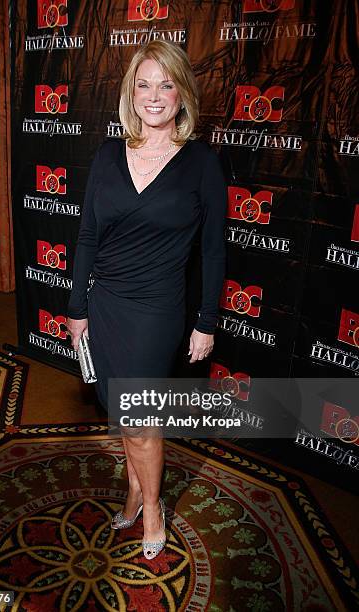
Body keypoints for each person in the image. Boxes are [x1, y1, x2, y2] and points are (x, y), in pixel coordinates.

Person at [66, 39, 227, 560]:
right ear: (129, 92)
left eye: (166, 84)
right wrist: (76, 309)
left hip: (156, 310)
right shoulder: (108, 154)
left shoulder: (200, 162)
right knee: (122, 414)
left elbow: (213, 250)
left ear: (182, 94)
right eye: (144, 84)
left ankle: (152, 509)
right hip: (105, 304)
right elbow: (87, 235)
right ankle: (135, 491)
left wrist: (206, 320)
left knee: (141, 421)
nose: (153, 96)